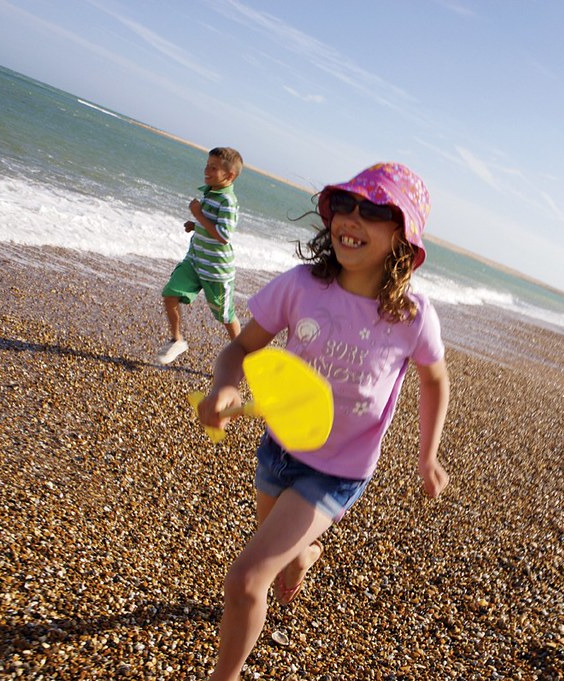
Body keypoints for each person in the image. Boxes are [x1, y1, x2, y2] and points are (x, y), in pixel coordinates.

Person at [196, 162, 450, 680]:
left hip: (337, 472)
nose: (351, 218)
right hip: (279, 448)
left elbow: (434, 380)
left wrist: (427, 456)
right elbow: (240, 349)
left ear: (403, 237)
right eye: (344, 204)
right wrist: (225, 385)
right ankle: (304, 554)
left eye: (374, 211)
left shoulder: (411, 316)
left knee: (247, 578)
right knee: (275, 549)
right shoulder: (302, 286)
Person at [157, 147, 244, 365]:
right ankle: (177, 340)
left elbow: (224, 236)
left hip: (216, 270)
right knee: (170, 293)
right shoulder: (209, 191)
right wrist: (195, 225)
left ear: (229, 175)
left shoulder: (228, 201)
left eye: (213, 168)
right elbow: (210, 224)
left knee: (226, 316)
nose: (206, 170)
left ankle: (244, 356)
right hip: (195, 260)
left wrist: (198, 214)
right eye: (207, 165)